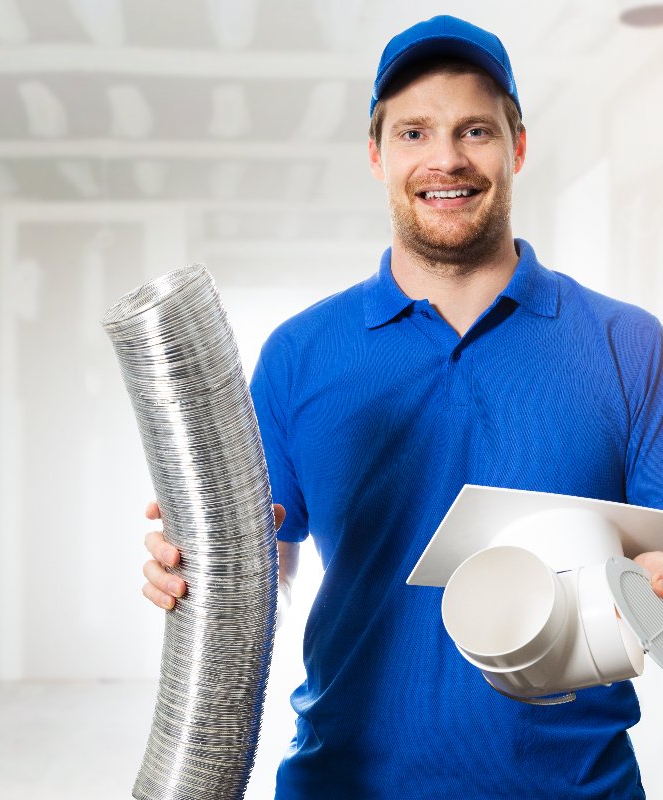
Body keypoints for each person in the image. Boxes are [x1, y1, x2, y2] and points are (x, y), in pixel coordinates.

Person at [142, 15, 663, 799]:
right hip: (344, 783)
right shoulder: (301, 352)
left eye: (475, 130)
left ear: (517, 146)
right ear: (377, 155)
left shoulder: (631, 345)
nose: (445, 158)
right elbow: (270, 564)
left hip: (575, 787)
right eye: (414, 132)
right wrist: (199, 570)